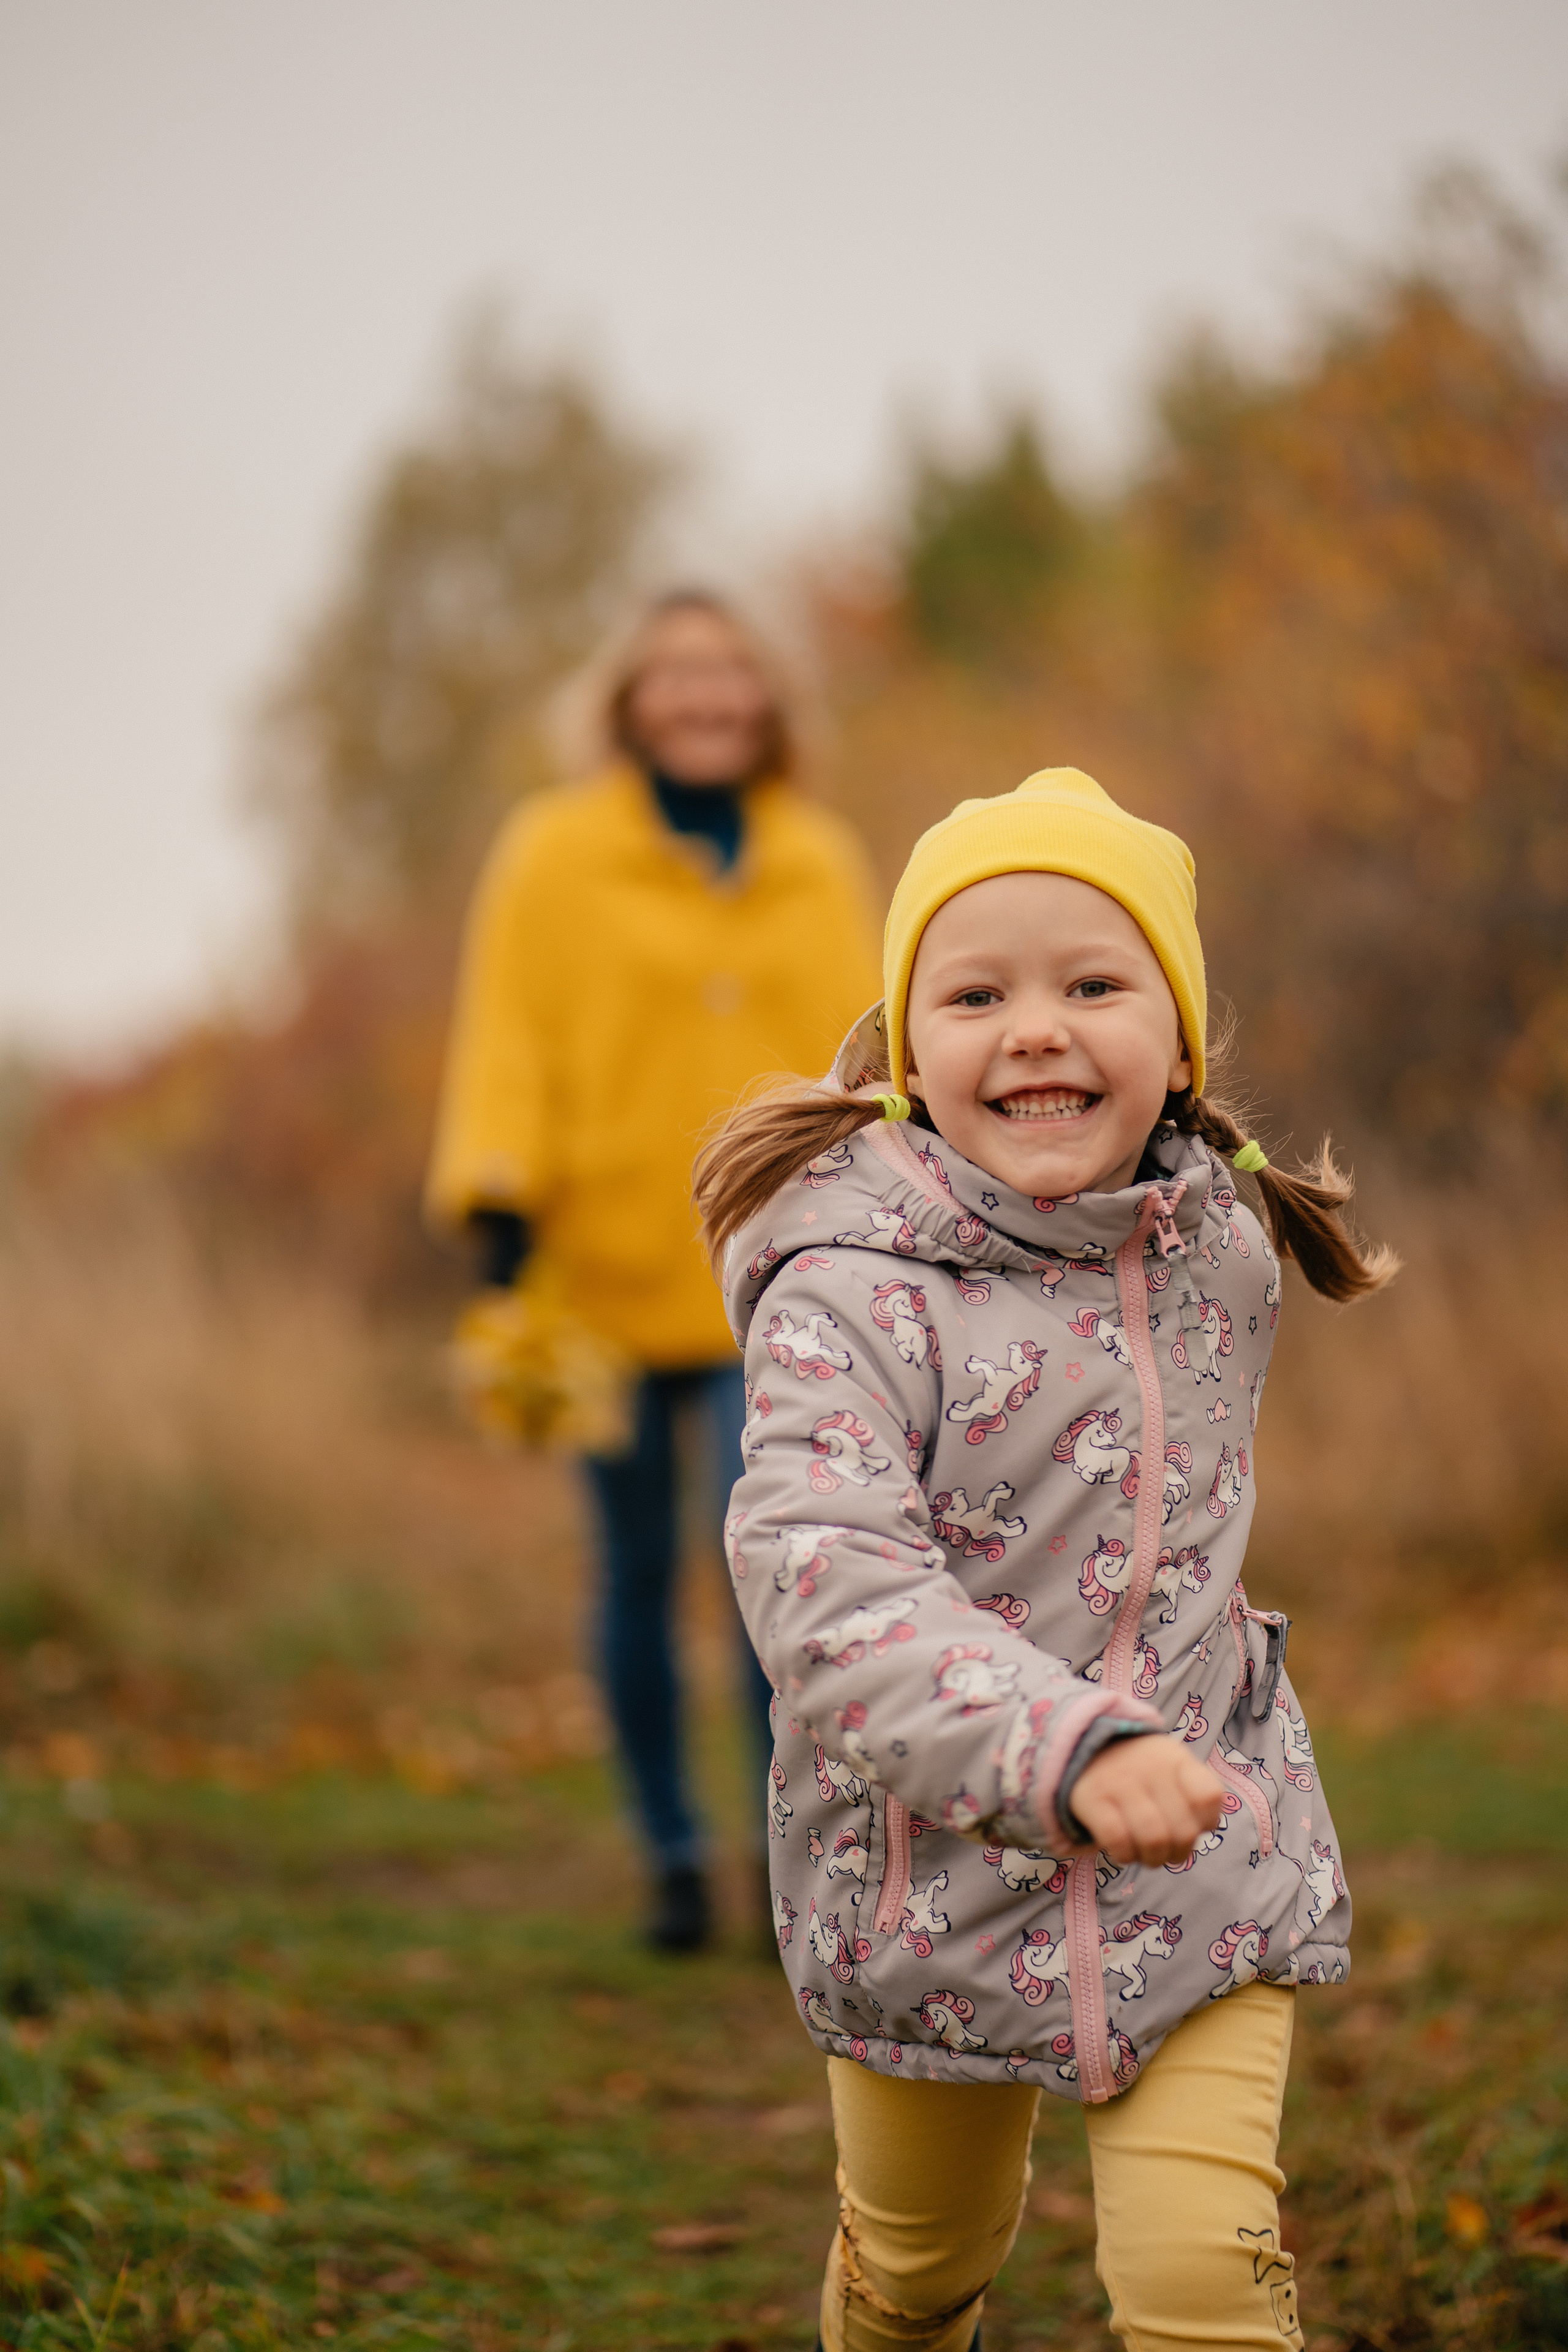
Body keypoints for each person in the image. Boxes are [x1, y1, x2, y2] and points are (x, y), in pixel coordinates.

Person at [695, 767, 1395, 2351]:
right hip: (926, 1882)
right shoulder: (844, 1299)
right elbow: (829, 1589)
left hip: (1197, 1853)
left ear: (1181, 1043)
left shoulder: (1216, 1246)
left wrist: (1152, 1753)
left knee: (1206, 2282)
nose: (1033, 1030)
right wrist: (1066, 1747)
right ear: (904, 1051)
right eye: (975, 994)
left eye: (1092, 986)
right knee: (921, 2269)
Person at [427, 590, 883, 1953]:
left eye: (730, 671)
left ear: (768, 699)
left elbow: (872, 1043)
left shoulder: (819, 856)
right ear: (627, 701)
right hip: (605, 1268)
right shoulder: (552, 851)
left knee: (773, 1566)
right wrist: (500, 1210)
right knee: (633, 1563)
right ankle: (671, 1854)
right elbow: (506, 1027)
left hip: (780, 1269)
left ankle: (786, 1857)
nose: (705, 695)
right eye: (676, 673)